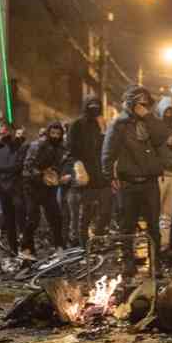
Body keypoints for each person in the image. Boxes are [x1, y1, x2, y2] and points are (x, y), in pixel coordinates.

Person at [101, 86, 169, 275]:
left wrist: (148, 117)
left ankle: (155, 264)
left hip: (150, 182)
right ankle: (128, 263)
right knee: (127, 225)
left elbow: (162, 136)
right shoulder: (119, 124)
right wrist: (109, 176)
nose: (144, 106)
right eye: (140, 103)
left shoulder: (150, 121)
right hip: (128, 182)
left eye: (147, 103)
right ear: (131, 104)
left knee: (153, 226)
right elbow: (108, 151)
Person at [20, 121, 70, 261]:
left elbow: (60, 165)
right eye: (52, 133)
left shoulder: (61, 148)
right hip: (32, 187)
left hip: (49, 188)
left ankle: (59, 247)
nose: (55, 136)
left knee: (56, 217)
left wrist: (58, 176)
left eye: (58, 134)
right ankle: (26, 248)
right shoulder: (37, 146)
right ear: (48, 133)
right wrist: (42, 175)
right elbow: (28, 166)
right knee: (33, 219)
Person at [68, 95, 112, 247]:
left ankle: (97, 237)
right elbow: (72, 149)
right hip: (86, 175)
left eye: (97, 105)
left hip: (102, 175)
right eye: (91, 105)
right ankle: (83, 246)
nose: (94, 108)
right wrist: (79, 167)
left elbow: (107, 147)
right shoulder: (77, 125)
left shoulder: (101, 125)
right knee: (86, 213)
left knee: (106, 211)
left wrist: (103, 130)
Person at [0, 124, 26, 256]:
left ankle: (21, 248)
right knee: (11, 221)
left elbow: (17, 167)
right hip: (7, 191)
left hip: (15, 190)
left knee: (19, 220)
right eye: (2, 134)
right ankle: (15, 249)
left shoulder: (20, 150)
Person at [155, 97, 172, 256]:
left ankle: (164, 244)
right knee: (156, 212)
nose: (169, 114)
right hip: (160, 175)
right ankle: (155, 243)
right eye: (167, 111)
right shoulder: (156, 128)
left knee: (167, 213)